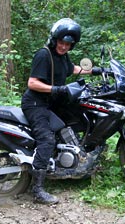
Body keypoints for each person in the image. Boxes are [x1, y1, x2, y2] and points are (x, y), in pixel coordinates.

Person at [21, 18, 102, 204]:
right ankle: (37, 190)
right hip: (36, 104)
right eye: (61, 42)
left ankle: (73, 160)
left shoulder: (62, 56)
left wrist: (96, 71)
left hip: (51, 102)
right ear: (54, 39)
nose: (64, 46)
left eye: (68, 44)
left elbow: (71, 68)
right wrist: (55, 89)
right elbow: (32, 83)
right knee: (46, 139)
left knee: (79, 117)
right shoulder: (44, 55)